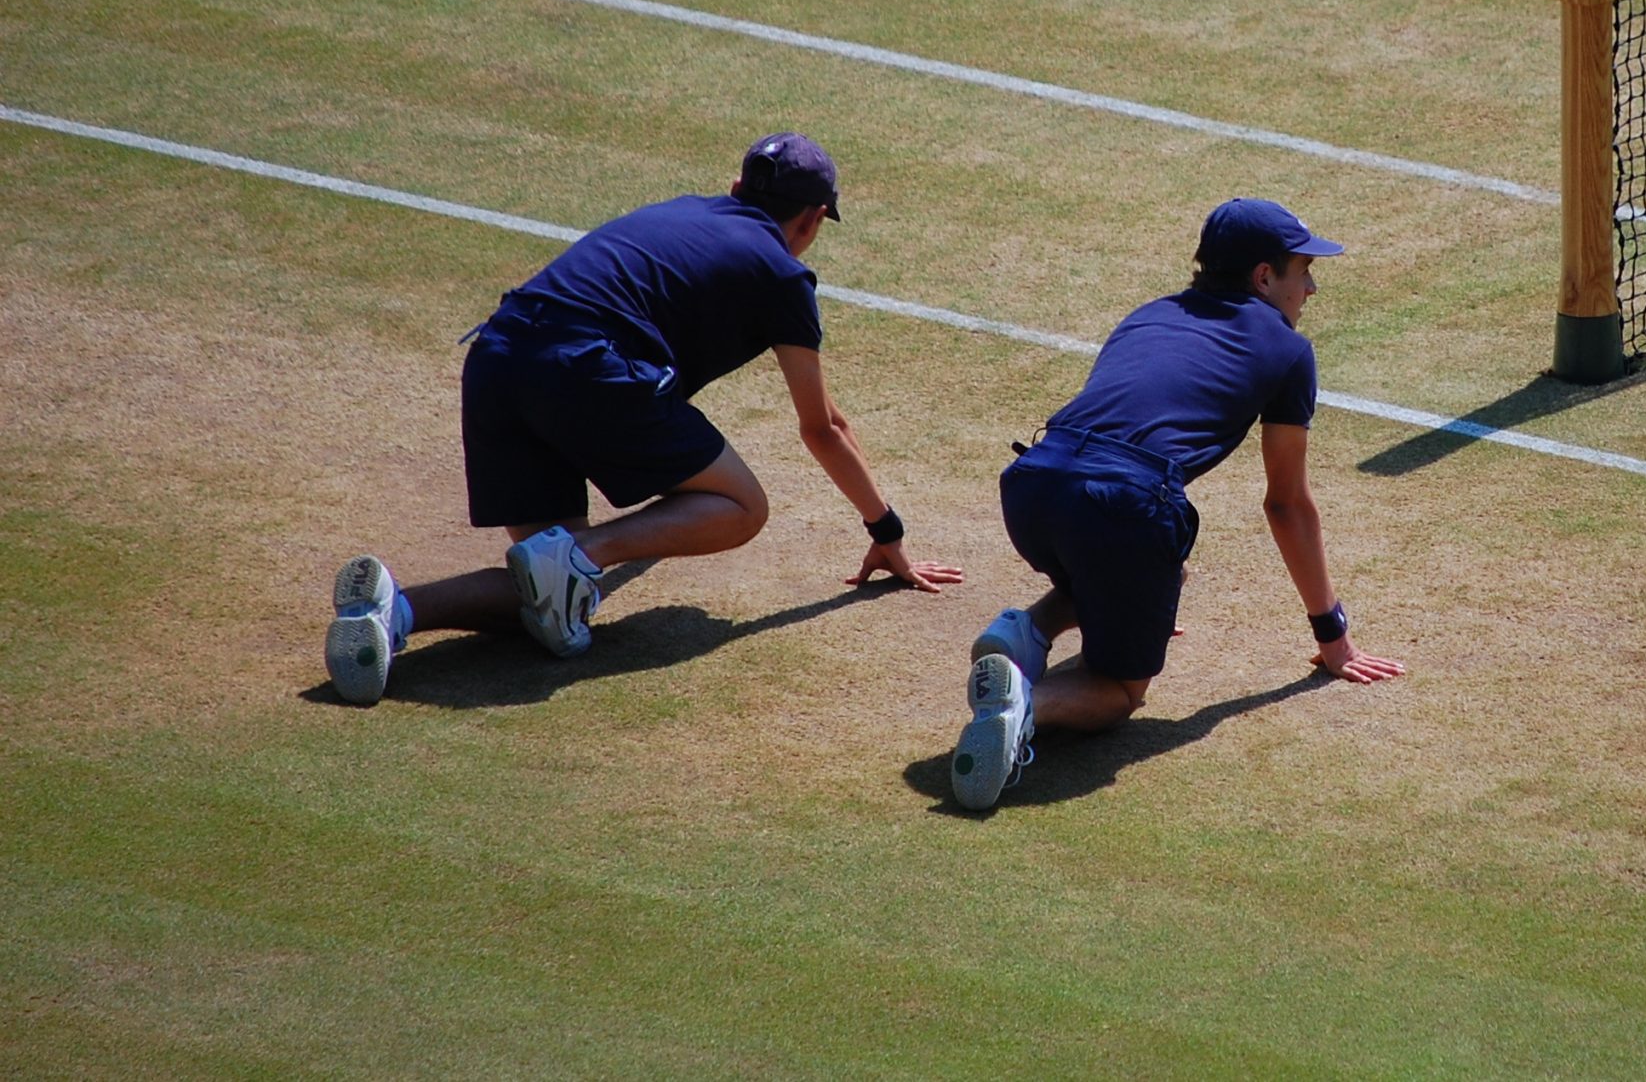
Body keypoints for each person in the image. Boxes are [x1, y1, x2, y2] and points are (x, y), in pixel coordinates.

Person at [324, 133, 960, 703]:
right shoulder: (781, 273)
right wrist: (887, 529)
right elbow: (823, 427)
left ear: (736, 186)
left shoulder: (680, 210)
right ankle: (580, 554)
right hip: (581, 368)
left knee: (552, 598)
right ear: (814, 218)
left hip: (499, 357)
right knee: (742, 508)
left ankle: (390, 611)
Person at [951, 197, 1404, 809]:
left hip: (1032, 481)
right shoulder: (1289, 351)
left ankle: (1024, 629)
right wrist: (1333, 636)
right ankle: (1027, 702)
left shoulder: (1148, 314)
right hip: (1121, 507)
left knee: (1149, 566)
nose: (1313, 287)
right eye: (1303, 271)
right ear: (1264, 277)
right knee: (1119, 691)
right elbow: (1287, 505)